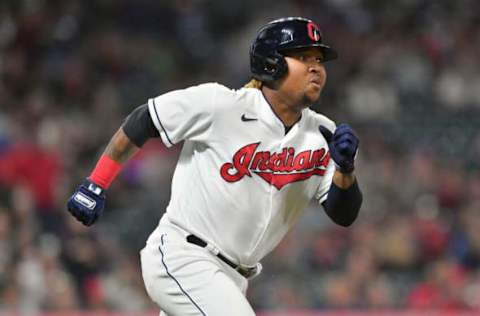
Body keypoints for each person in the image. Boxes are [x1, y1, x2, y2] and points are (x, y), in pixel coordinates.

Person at [67, 17, 363, 315]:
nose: (316, 68)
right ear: (272, 63)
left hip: (233, 278)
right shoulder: (222, 105)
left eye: (319, 60)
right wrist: (96, 182)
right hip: (184, 256)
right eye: (303, 57)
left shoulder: (323, 133)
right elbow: (144, 120)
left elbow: (344, 213)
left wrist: (346, 170)